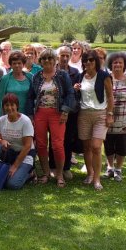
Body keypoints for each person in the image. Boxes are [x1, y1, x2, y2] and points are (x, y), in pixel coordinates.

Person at [30, 48, 75, 187]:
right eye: (44, 59)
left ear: (55, 60)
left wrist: (66, 111)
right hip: (40, 113)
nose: (47, 61)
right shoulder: (36, 76)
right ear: (41, 61)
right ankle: (46, 173)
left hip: (58, 113)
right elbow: (31, 96)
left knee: (57, 145)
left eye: (50, 58)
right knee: (42, 145)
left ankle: (60, 174)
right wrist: (31, 115)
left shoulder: (62, 75)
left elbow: (70, 94)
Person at [74, 49, 114, 190]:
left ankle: (97, 179)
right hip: (84, 114)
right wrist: (76, 89)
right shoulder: (80, 77)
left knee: (96, 147)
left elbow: (110, 96)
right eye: (85, 60)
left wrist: (109, 114)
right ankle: (90, 174)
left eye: (91, 60)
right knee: (86, 147)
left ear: (96, 61)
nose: (88, 62)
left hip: (100, 114)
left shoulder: (104, 76)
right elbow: (77, 95)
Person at [0, 93, 36, 190]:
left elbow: (27, 147)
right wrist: (2, 141)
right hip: (9, 153)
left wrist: (15, 166)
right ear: (3, 107)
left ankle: (30, 174)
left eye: (12, 105)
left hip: (25, 155)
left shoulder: (25, 121)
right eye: (6, 105)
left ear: (17, 105)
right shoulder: (1, 120)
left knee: (12, 185)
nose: (9, 108)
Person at [104, 52, 126, 181]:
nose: (117, 65)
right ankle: (109, 167)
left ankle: (118, 169)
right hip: (108, 119)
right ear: (110, 65)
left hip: (124, 120)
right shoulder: (106, 79)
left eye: (120, 62)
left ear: (124, 65)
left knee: (122, 146)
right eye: (115, 62)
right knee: (108, 145)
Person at [56, 45, 81, 180]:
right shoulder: (52, 71)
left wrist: (75, 90)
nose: (65, 58)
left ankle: (66, 167)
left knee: (67, 139)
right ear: (58, 56)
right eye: (62, 55)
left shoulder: (75, 72)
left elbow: (75, 94)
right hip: (55, 111)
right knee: (55, 140)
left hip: (71, 111)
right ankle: (54, 166)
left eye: (67, 55)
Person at [0, 51, 33, 117]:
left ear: (23, 64)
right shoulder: (5, 79)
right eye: (14, 63)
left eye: (19, 63)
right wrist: (0, 117)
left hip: (27, 115)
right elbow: (1, 100)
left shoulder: (30, 77)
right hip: (9, 115)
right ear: (11, 65)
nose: (17, 65)